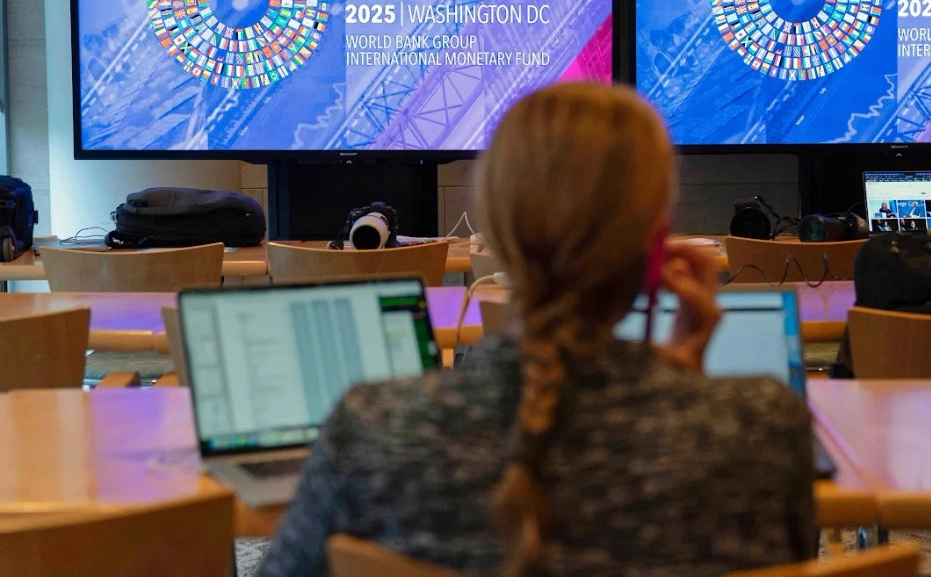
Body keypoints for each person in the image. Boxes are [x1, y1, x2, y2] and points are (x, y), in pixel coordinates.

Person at [257, 82, 816, 577]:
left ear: (494, 235)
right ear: (659, 239)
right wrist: (685, 389)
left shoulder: (371, 429)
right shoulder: (760, 426)